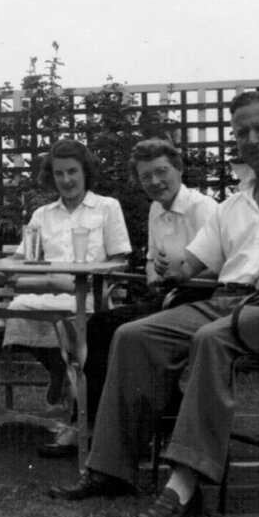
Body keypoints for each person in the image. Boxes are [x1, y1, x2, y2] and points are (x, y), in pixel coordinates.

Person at [49, 89, 259, 517]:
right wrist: (169, 267)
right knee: (134, 334)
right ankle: (111, 468)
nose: (251, 139)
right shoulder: (232, 206)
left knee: (213, 337)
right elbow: (189, 267)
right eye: (241, 132)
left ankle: (183, 483)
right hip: (230, 300)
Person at [62, 139, 218, 457]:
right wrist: (152, 274)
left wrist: (180, 275)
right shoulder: (156, 209)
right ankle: (94, 424)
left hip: (205, 297)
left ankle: (143, 427)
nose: (155, 182)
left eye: (161, 172)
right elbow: (150, 260)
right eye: (146, 176)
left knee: (129, 333)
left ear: (179, 170)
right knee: (100, 325)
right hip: (170, 295)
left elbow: (222, 266)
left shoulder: (203, 208)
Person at [1, 139, 131, 453]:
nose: (67, 179)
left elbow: (120, 260)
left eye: (72, 172)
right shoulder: (43, 214)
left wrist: (89, 276)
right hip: (46, 294)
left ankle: (67, 390)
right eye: (59, 174)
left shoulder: (107, 207)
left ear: (85, 172)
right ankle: (59, 370)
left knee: (67, 319)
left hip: (88, 295)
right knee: (18, 308)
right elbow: (21, 257)